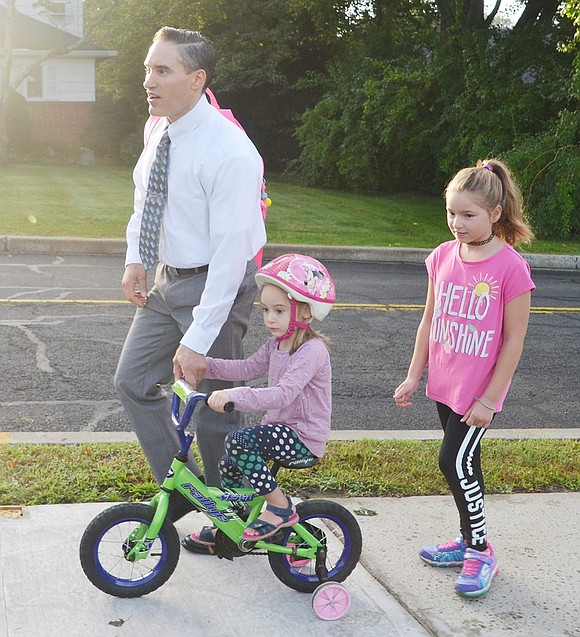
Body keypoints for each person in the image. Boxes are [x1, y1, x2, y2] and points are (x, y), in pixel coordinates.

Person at [114, 26, 266, 523]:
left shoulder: (232, 153)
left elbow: (229, 256)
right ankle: (184, 493)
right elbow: (146, 197)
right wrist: (136, 257)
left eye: (162, 71)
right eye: (147, 70)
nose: (148, 82)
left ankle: (235, 516)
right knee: (134, 380)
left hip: (214, 285)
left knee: (214, 409)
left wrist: (198, 340)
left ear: (197, 78)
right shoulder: (157, 126)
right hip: (166, 278)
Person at [393, 159, 535, 598]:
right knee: (464, 467)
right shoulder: (441, 256)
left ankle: (480, 551)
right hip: (446, 385)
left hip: (479, 393)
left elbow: (513, 343)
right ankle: (465, 539)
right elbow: (428, 320)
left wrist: (490, 400)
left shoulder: (511, 269)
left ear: (495, 214)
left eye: (468, 214)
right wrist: (415, 375)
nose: (457, 223)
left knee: (452, 462)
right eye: (452, 212)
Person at [181, 253, 335, 552]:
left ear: (306, 312)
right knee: (229, 463)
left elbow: (282, 394)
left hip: (303, 438)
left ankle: (279, 508)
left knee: (239, 440)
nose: (269, 319)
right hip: (279, 431)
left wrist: (234, 396)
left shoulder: (312, 351)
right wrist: (204, 365)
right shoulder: (276, 345)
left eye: (279, 310)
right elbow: (245, 368)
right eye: (265, 310)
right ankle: (231, 524)